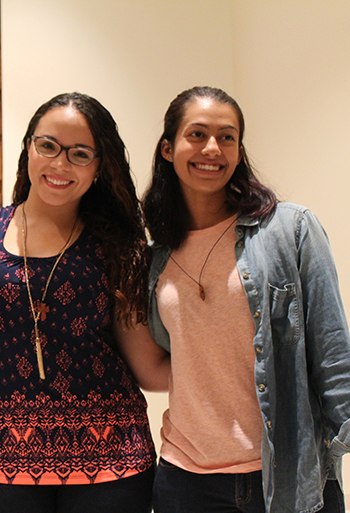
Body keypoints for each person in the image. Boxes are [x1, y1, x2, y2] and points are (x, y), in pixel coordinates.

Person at [0, 92, 167, 513]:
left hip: (110, 465)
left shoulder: (118, 247)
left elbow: (146, 367)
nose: (59, 164)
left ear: (98, 168)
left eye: (79, 154)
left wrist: (238, 368)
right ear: (29, 147)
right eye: (48, 145)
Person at [142, 86, 350, 513]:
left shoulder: (291, 229)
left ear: (239, 150)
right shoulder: (156, 256)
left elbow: (332, 354)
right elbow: (171, 358)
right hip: (185, 480)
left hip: (285, 473)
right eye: (197, 134)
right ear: (168, 148)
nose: (212, 148)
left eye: (227, 136)